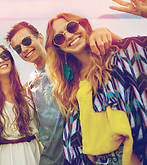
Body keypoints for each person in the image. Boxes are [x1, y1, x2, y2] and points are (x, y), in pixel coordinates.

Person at [5, 21, 115, 165]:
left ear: (40, 37)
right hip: (51, 159)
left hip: (83, 154)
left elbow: (94, 53)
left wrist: (101, 31)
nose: (24, 49)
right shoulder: (31, 81)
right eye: (18, 48)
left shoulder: (67, 62)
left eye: (26, 41)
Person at [45, 12, 147, 165]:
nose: (69, 36)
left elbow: (137, 54)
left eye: (71, 27)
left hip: (132, 156)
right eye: (59, 37)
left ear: (84, 26)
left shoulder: (116, 58)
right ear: (59, 48)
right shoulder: (68, 86)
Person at [0, 44, 41, 165]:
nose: (1, 60)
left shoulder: (29, 92)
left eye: (4, 56)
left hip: (33, 152)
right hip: (7, 155)